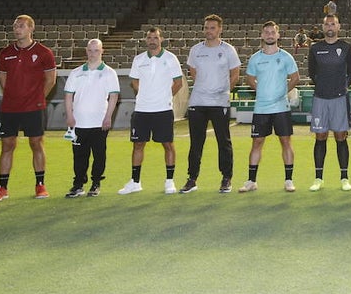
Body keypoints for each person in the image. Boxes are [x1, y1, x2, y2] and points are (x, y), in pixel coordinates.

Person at [0, 15, 57, 202]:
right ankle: (2, 188)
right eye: (15, 26)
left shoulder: (44, 52)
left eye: (21, 26)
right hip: (10, 108)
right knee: (7, 145)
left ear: (31, 28)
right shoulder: (5, 53)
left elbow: (50, 80)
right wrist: (14, 96)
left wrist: (37, 98)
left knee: (36, 144)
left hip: (34, 107)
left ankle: (40, 185)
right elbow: (3, 79)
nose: (17, 29)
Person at [118, 27, 184, 195]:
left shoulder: (170, 58)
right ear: (146, 40)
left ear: (161, 39)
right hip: (142, 110)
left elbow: (178, 83)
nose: (152, 40)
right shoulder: (139, 59)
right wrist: (144, 94)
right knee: (138, 144)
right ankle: (135, 182)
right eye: (149, 38)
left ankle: (169, 181)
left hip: (163, 110)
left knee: (167, 144)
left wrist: (164, 97)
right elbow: (134, 82)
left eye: (155, 37)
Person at [180, 14, 240, 194]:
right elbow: (193, 73)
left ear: (220, 29)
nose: (208, 31)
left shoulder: (228, 50)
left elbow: (235, 74)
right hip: (198, 102)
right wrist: (205, 88)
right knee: (196, 142)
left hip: (220, 103)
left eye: (212, 28)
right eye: (206, 27)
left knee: (224, 141)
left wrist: (223, 91)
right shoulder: (196, 50)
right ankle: (192, 178)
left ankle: (226, 178)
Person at [239, 21, 300, 193]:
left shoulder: (286, 57)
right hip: (261, 108)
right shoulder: (255, 58)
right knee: (257, 143)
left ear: (278, 35)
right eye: (266, 32)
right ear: (262, 35)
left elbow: (295, 78)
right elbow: (249, 78)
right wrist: (260, 90)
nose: (270, 35)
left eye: (273, 32)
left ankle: (288, 180)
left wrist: (283, 91)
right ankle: (251, 181)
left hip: (281, 107)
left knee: (285, 142)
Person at [63, 39, 120, 198]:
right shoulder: (76, 72)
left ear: (102, 51)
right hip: (79, 122)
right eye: (90, 50)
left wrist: (108, 117)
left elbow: (114, 96)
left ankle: (96, 183)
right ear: (86, 51)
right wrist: (69, 115)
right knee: (79, 156)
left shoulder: (109, 73)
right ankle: (78, 185)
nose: (93, 53)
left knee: (99, 155)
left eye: (96, 50)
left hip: (99, 123)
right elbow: (68, 96)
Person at [307, 14, 351, 191]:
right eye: (327, 24)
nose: (330, 27)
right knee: (320, 137)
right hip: (320, 98)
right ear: (323, 27)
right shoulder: (315, 48)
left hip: (339, 98)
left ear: (338, 26)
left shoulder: (346, 48)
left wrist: (340, 88)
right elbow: (312, 73)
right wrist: (324, 86)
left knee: (340, 137)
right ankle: (318, 178)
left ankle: (344, 178)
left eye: (333, 24)